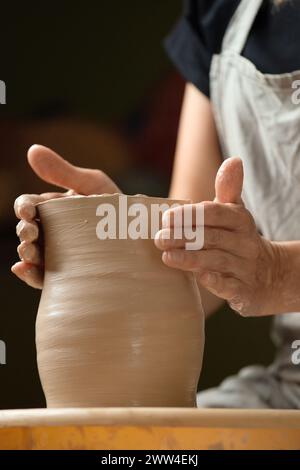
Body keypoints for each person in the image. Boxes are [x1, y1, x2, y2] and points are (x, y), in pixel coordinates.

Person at [12, 0, 300, 408]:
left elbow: (263, 272)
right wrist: (119, 244)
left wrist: (278, 274)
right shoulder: (217, 13)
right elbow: (192, 260)